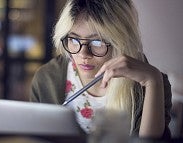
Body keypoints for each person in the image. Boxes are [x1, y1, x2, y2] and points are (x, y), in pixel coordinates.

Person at [30, 0, 172, 139]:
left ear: (121, 41)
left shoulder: (153, 83)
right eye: (73, 40)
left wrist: (153, 80)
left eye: (97, 42)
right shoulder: (46, 77)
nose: (83, 54)